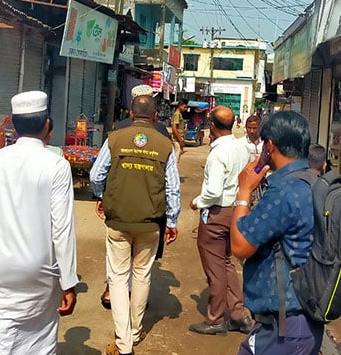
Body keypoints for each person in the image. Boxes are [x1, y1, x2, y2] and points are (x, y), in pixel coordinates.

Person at [0, 91, 78, 354]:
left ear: (14, 126)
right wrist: (68, 282)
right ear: (47, 125)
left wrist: (3, 227)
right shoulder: (56, 165)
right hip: (40, 271)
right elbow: (62, 229)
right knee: (39, 343)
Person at [90, 94, 181, 355]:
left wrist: (101, 196)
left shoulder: (114, 139)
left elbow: (97, 175)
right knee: (142, 276)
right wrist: (172, 221)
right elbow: (172, 187)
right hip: (151, 223)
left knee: (118, 279)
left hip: (117, 220)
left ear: (131, 114)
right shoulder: (165, 144)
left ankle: (123, 342)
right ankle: (135, 331)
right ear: (155, 117)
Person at [231, 111, 323, 355]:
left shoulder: (283, 191)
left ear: (269, 145)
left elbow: (240, 246)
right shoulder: (315, 183)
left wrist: (243, 192)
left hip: (285, 324)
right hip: (305, 315)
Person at [100, 84, 169, 310]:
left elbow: (100, 172)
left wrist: (102, 195)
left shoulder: (118, 129)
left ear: (131, 108)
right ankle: (137, 310)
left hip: (119, 204)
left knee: (118, 259)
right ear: (153, 108)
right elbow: (170, 180)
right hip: (150, 209)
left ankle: (112, 291)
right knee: (143, 268)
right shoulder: (161, 132)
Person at [189, 106, 253, 336]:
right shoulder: (241, 148)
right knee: (226, 263)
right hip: (236, 210)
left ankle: (215, 318)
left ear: (212, 126)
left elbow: (213, 191)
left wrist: (197, 202)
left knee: (215, 268)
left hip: (217, 211)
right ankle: (239, 314)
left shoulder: (218, 153)